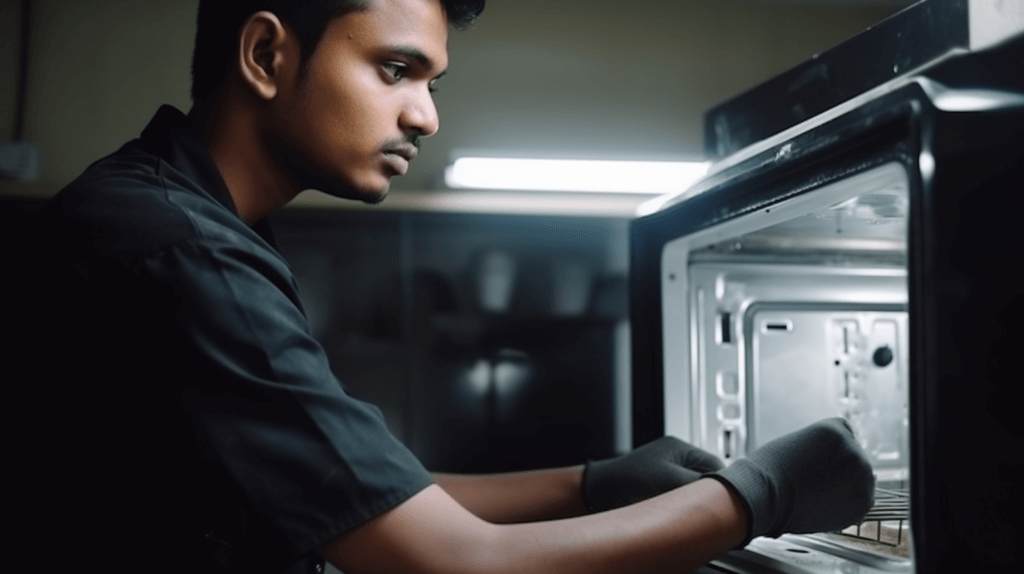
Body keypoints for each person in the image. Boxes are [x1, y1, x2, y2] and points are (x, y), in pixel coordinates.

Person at [5, 1, 875, 573]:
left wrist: (593, 482)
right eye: (395, 71)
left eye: (431, 82)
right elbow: (454, 563)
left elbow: (365, 488)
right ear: (267, 54)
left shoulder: (182, 217)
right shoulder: (183, 251)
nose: (425, 114)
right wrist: (760, 495)